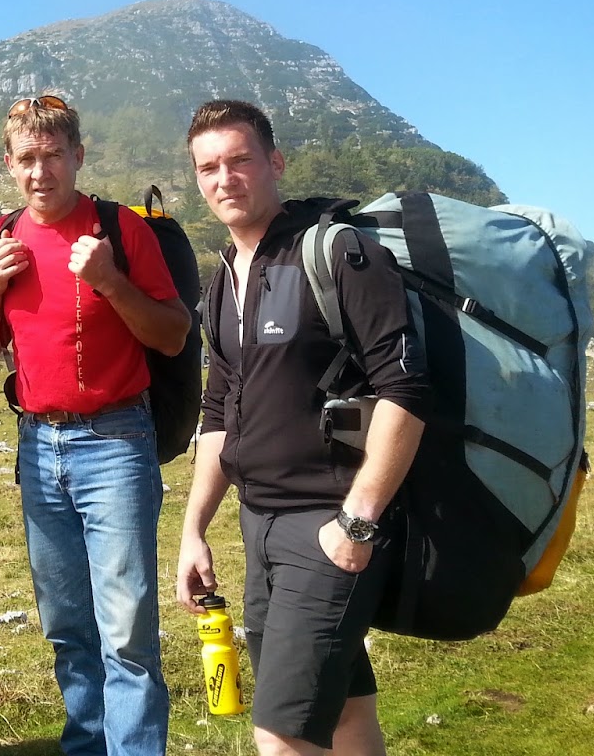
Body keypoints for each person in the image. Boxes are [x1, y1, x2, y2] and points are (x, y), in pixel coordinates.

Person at [175, 99, 431, 756]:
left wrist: (357, 523)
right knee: (345, 714)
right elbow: (218, 412)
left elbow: (404, 388)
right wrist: (194, 529)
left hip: (329, 525)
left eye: (240, 160)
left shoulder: (337, 253)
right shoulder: (222, 282)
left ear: (275, 163)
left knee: (281, 734)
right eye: (209, 167)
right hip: (257, 526)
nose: (225, 178)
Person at [0, 95, 190, 756]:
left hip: (117, 442)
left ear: (78, 157)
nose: (42, 172)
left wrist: (112, 283)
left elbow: (175, 336)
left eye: (54, 156)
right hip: (38, 444)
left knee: (125, 629)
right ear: (10, 165)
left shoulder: (122, 229)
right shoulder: (0, 238)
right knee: (67, 624)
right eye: (28, 160)